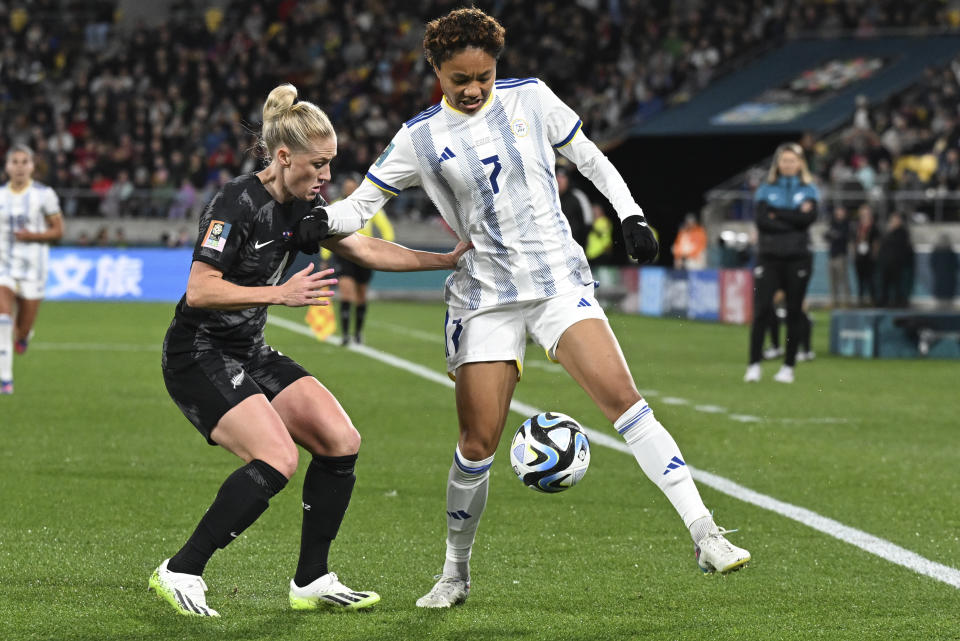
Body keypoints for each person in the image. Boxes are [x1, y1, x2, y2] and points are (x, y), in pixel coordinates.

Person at [318, 7, 749, 609]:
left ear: (498, 68)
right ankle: (454, 573)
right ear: (436, 71)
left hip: (555, 282)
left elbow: (592, 158)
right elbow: (357, 209)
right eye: (458, 79)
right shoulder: (417, 139)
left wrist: (631, 215)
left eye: (484, 76)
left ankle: (705, 533)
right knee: (477, 443)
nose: (472, 89)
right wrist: (315, 217)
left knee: (623, 399)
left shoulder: (532, 98)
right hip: (484, 297)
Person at [149, 83, 470, 618]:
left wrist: (442, 260)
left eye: (331, 163)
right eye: (319, 164)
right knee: (277, 457)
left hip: (248, 349)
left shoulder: (305, 208)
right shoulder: (236, 202)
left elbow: (363, 246)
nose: (327, 176)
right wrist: (279, 293)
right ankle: (181, 569)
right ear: (283, 156)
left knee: (341, 440)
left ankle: (311, 580)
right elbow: (200, 289)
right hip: (198, 351)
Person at [744, 142, 819, 384]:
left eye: (792, 160)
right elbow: (763, 221)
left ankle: (788, 367)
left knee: (795, 311)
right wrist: (793, 218)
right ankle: (754, 364)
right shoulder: (766, 189)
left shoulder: (809, 189)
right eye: (784, 161)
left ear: (800, 164)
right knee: (762, 310)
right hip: (769, 256)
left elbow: (808, 220)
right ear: (778, 164)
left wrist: (779, 215)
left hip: (798, 258)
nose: (788, 165)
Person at [0, 144, 65, 395]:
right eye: (14, 162)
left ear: (32, 166)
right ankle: (5, 379)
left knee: (22, 329)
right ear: (7, 167)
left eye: (24, 162)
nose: (19, 167)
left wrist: (33, 236)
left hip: (34, 269)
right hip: (3, 266)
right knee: (3, 319)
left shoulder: (44, 195)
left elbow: (58, 231)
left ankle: (23, 336)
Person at [322, 175, 395, 346]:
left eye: (353, 186)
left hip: (364, 255)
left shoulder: (368, 206)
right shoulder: (336, 206)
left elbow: (386, 228)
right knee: (346, 291)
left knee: (361, 294)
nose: (350, 189)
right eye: (347, 186)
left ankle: (358, 333)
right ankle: (346, 335)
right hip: (344, 253)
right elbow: (325, 231)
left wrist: (384, 249)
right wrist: (325, 257)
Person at [875, 211, 914, 308]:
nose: (894, 222)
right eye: (892, 220)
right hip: (886, 263)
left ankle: (899, 302)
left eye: (896, 220)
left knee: (898, 285)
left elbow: (900, 247)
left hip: (896, 264)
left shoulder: (903, 232)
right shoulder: (887, 232)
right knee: (885, 284)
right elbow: (882, 245)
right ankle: (884, 301)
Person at [556, 166, 592, 248]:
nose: (559, 180)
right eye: (557, 176)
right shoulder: (548, 198)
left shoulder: (577, 196)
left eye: (562, 177)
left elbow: (588, 221)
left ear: (568, 179)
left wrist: (582, 244)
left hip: (575, 247)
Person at [824, 204, 851, 308]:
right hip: (832, 255)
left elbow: (842, 236)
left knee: (843, 280)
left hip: (841, 255)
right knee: (833, 281)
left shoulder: (846, 224)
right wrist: (834, 235)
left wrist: (834, 235)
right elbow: (826, 235)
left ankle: (846, 301)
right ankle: (834, 301)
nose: (838, 213)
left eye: (841, 211)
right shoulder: (833, 223)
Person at [853, 203, 880, 306]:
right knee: (860, 281)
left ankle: (873, 300)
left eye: (866, 213)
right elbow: (854, 241)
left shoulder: (874, 227)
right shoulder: (857, 226)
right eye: (862, 214)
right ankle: (860, 301)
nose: (864, 216)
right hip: (860, 258)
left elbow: (876, 242)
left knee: (871, 281)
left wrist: (874, 254)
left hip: (869, 258)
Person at [930, 234, 958, 309]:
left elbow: (932, 264)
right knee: (948, 302)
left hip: (939, 279)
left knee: (940, 301)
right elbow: (956, 266)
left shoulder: (936, 252)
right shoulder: (951, 253)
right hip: (949, 281)